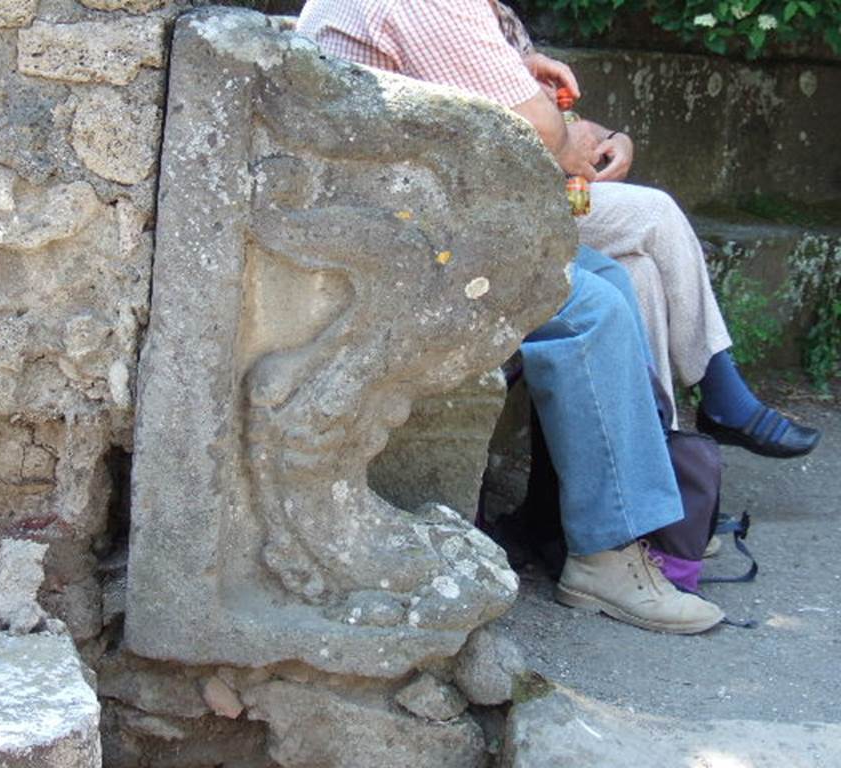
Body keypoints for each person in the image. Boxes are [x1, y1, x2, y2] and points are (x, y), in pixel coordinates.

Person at [296, 0, 725, 634]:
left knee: (606, 276)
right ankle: (605, 558)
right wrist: (564, 128)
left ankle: (606, 523)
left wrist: (525, 76)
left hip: (392, 224)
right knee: (589, 306)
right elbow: (544, 136)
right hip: (388, 251)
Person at [483, 0, 820, 455]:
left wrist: (615, 140)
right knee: (656, 212)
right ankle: (721, 392)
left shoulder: (498, 17)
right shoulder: (440, 15)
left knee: (638, 272)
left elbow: (563, 118)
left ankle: (666, 463)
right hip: (502, 210)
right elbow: (531, 131)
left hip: (556, 197)